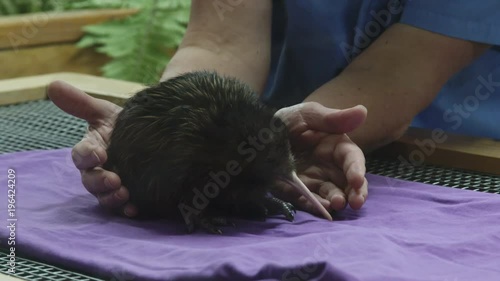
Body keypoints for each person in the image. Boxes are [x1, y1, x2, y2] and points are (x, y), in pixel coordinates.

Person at [48, 0, 500, 218]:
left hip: (453, 152)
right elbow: (219, 42)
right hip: (250, 141)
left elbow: (397, 72)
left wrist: (288, 140)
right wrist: (158, 133)